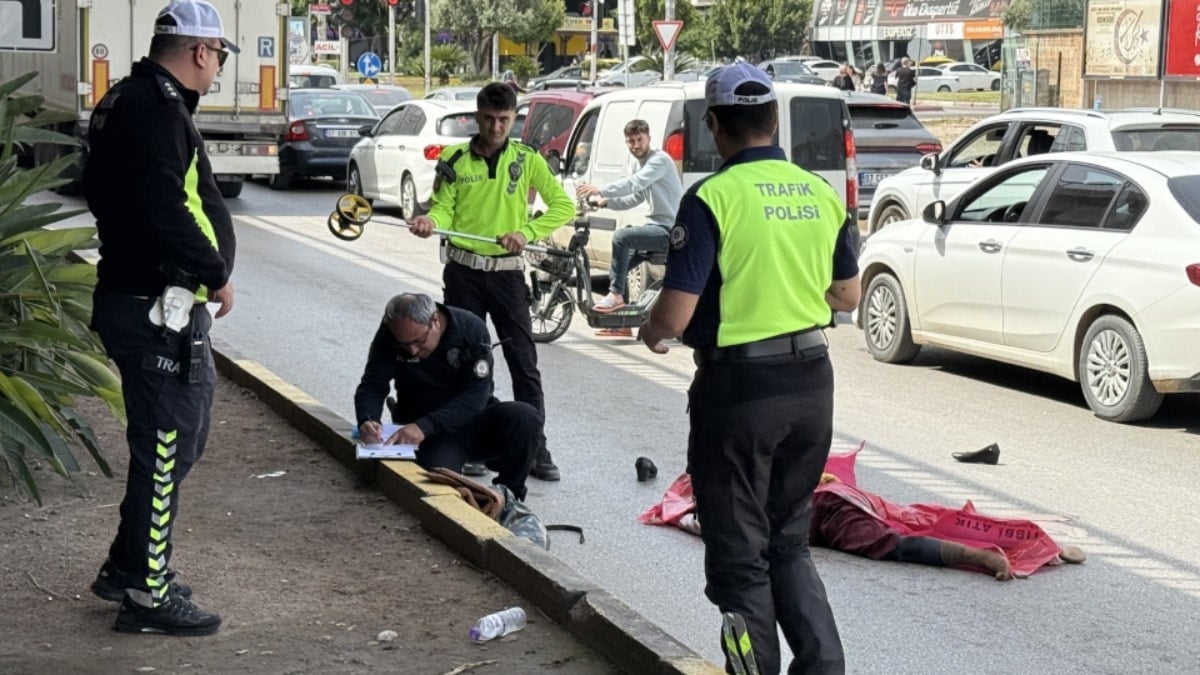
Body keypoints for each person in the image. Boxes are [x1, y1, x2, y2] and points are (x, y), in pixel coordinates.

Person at [638, 63, 861, 675]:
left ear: (714, 125)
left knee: (739, 563)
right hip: (812, 384)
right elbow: (847, 295)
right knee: (788, 541)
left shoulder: (712, 197)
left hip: (739, 395)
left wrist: (651, 331)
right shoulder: (819, 191)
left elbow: (675, 315)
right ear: (773, 121)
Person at [82, 0, 238, 636]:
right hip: (155, 305)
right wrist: (214, 272)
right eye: (220, 56)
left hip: (143, 297)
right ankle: (146, 594)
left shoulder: (132, 97)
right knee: (167, 445)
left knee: (177, 439)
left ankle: (129, 568)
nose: (220, 67)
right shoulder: (157, 108)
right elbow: (165, 208)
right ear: (200, 52)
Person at [408, 83, 573, 482]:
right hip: (463, 271)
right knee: (467, 360)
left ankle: (536, 445)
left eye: (504, 119)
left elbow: (564, 206)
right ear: (477, 116)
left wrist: (526, 232)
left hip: (507, 274)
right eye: (489, 118)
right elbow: (445, 208)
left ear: (513, 119)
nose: (496, 127)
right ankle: (473, 440)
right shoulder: (454, 159)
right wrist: (432, 221)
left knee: (523, 361)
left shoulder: (527, 160)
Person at [354, 294, 540, 500]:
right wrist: (368, 419)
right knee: (438, 489)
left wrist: (426, 425)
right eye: (405, 346)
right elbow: (373, 384)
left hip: (471, 420)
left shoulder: (470, 329)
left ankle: (510, 496)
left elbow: (475, 396)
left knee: (525, 416)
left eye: (419, 341)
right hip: (429, 436)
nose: (413, 351)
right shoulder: (391, 334)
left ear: (435, 321)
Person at [574, 119, 684, 336]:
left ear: (648, 139)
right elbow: (635, 197)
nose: (636, 145)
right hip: (656, 225)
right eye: (631, 141)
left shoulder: (659, 160)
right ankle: (621, 323)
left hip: (669, 230)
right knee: (621, 264)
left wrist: (600, 189)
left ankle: (615, 295)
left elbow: (634, 184)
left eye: (639, 139)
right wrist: (606, 203)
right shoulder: (639, 164)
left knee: (621, 237)